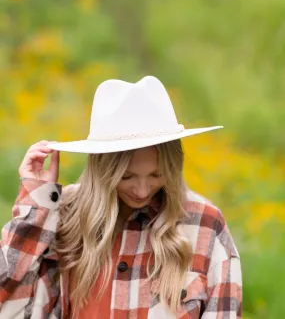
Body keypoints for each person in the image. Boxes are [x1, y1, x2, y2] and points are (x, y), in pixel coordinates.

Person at [0, 76, 242, 319]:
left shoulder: (205, 224)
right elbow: (8, 298)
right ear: (102, 170)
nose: (142, 190)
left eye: (157, 175)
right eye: (126, 177)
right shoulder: (63, 213)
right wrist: (37, 202)